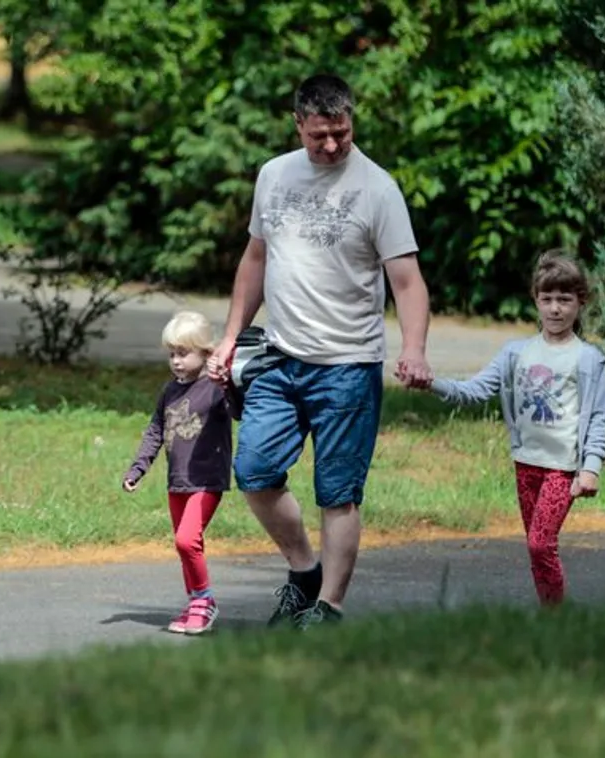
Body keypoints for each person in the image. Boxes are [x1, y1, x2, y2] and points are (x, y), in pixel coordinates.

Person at [206, 74, 434, 629]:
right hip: (281, 360)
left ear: (352, 121)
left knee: (338, 492)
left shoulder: (377, 188)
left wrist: (415, 349)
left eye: (342, 133)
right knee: (255, 471)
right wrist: (232, 334)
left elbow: (406, 280)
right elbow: (255, 259)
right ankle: (304, 570)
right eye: (320, 136)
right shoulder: (274, 175)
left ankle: (328, 606)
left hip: (348, 366)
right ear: (298, 125)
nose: (332, 146)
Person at [415, 252, 605, 607]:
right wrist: (432, 384)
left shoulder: (588, 359)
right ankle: (550, 613)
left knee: (540, 544)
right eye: (547, 299)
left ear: (580, 302)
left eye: (564, 300)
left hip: (562, 469)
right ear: (535, 299)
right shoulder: (515, 353)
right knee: (537, 548)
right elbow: (474, 391)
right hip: (526, 464)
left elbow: (599, 417)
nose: (555, 309)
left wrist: (590, 468)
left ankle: (558, 618)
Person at [123, 311, 236, 635]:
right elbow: (155, 431)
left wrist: (226, 377)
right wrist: (138, 468)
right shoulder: (170, 391)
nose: (176, 361)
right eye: (172, 353)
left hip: (206, 480)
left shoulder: (216, 389)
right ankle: (194, 603)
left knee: (188, 541)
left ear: (205, 352)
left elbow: (239, 407)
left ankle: (205, 600)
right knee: (182, 544)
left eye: (183, 353)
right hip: (178, 481)